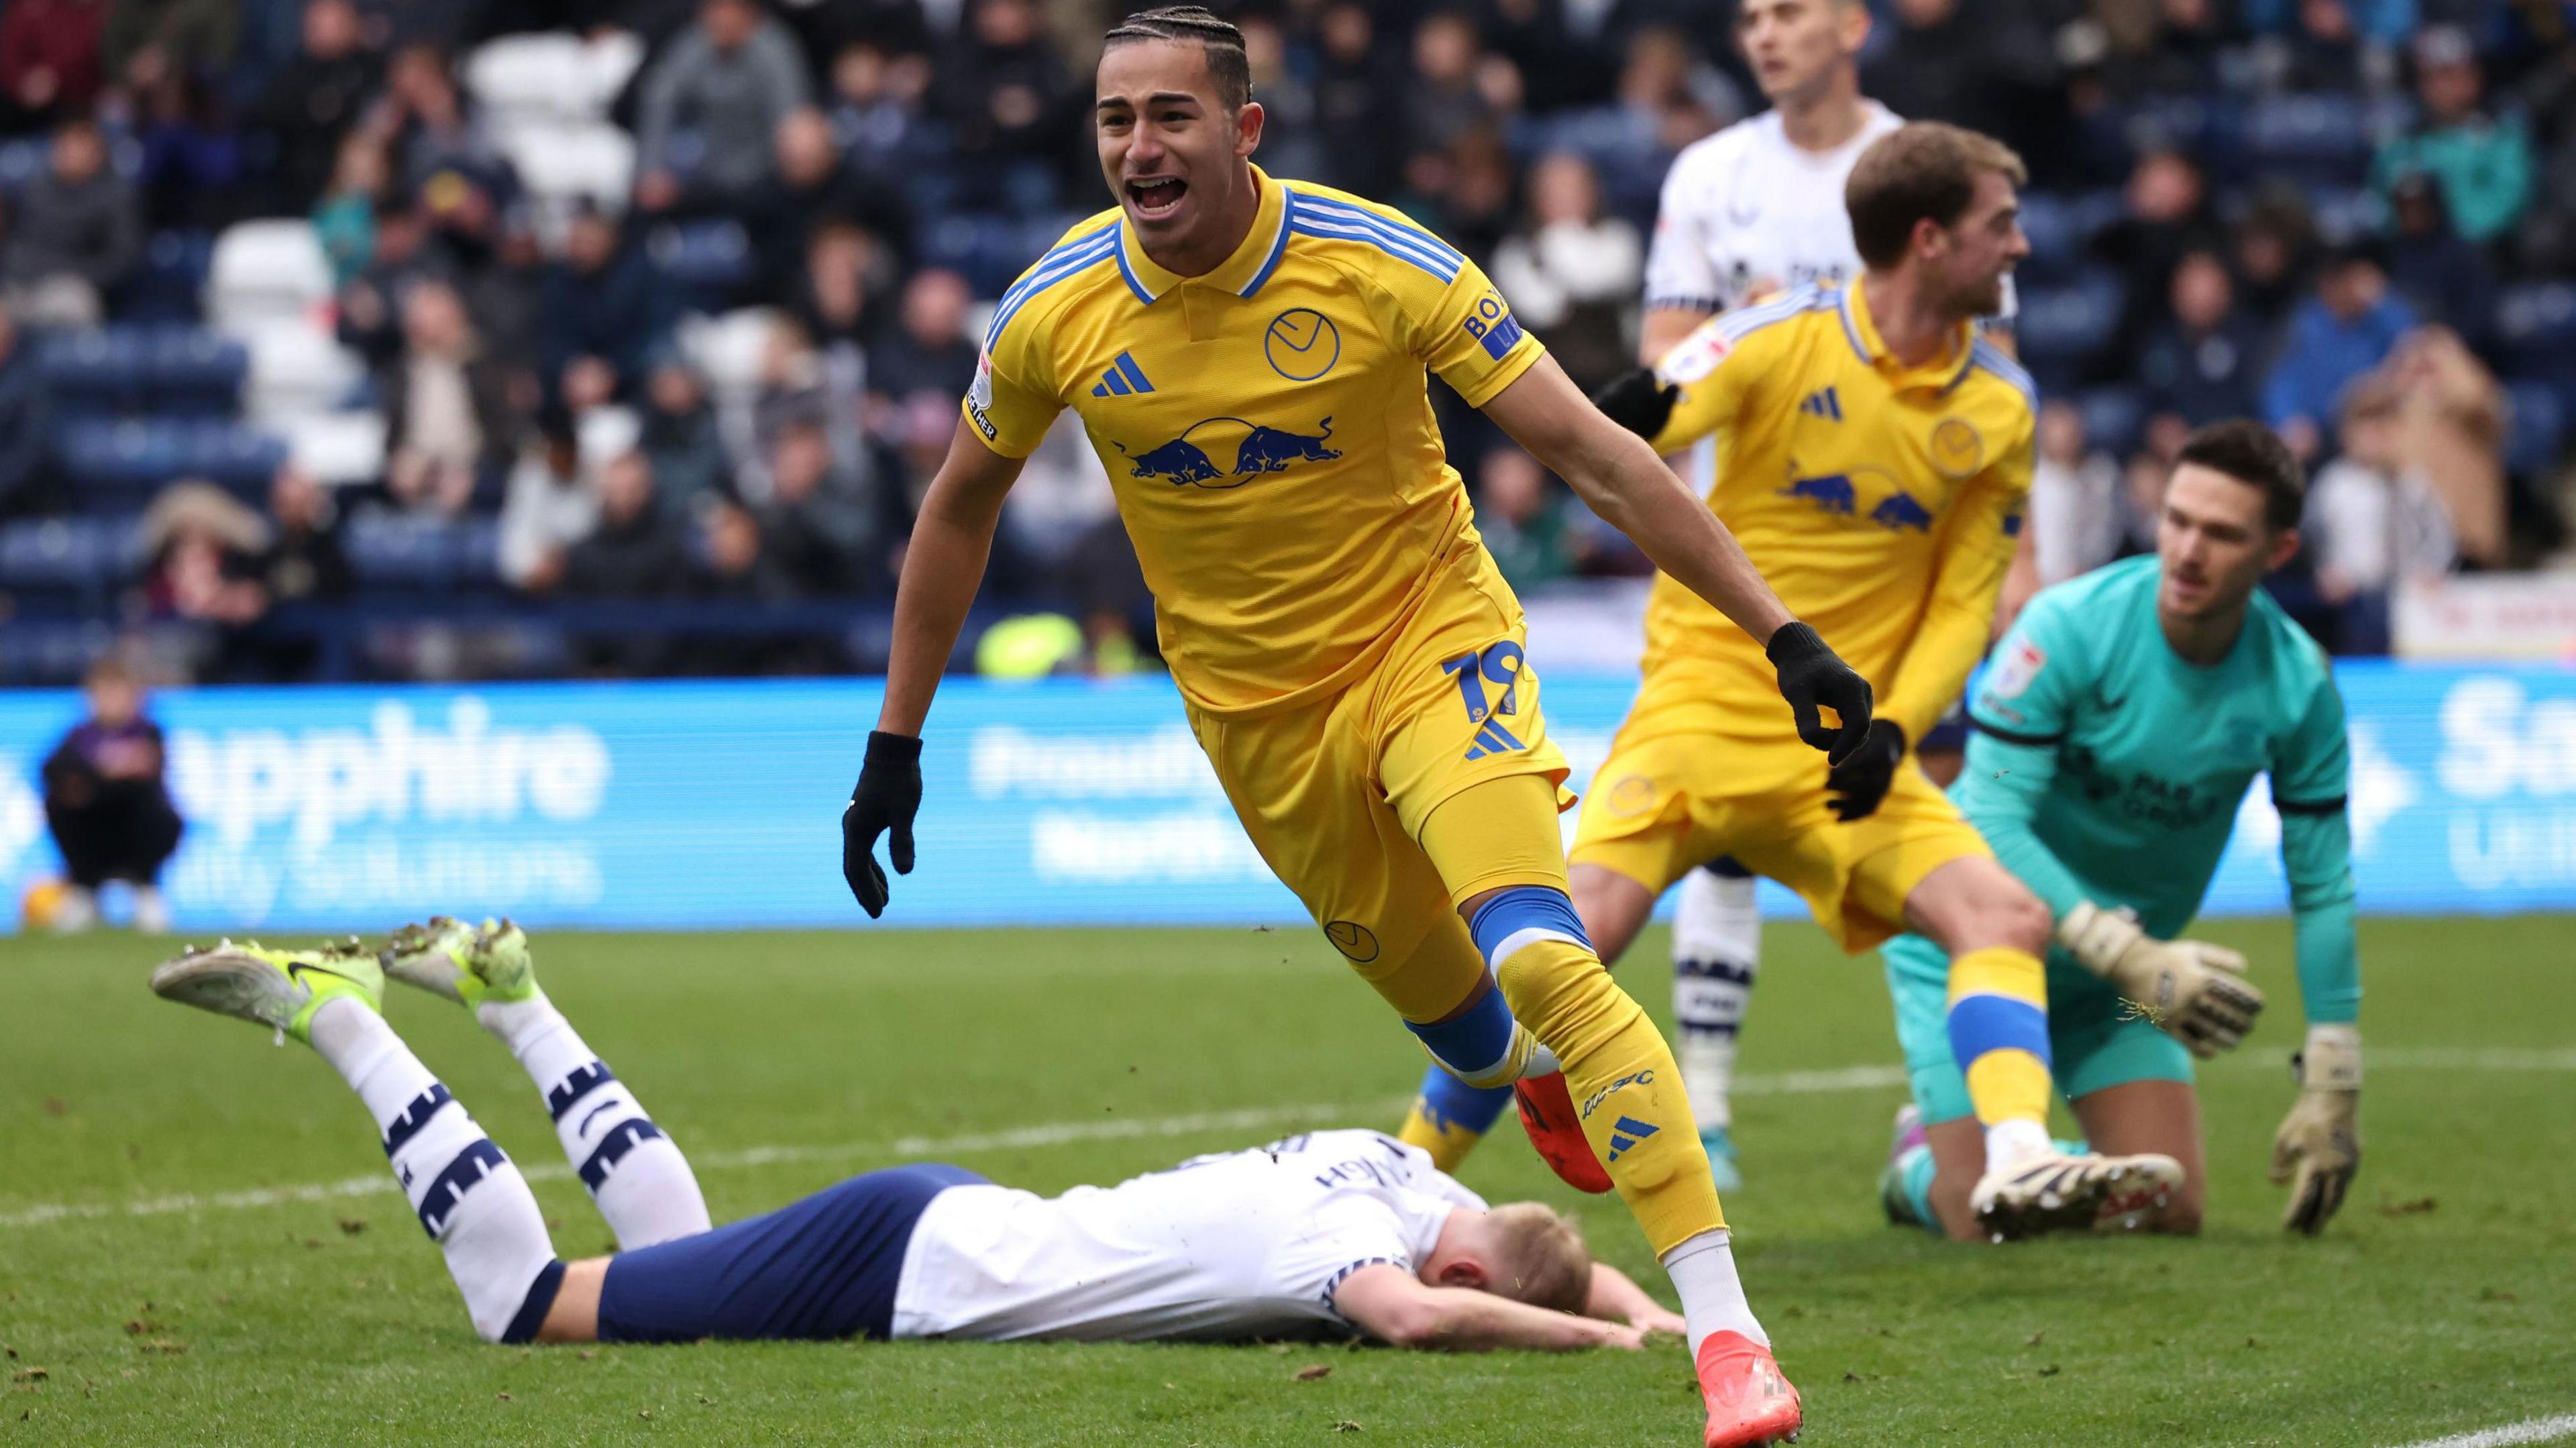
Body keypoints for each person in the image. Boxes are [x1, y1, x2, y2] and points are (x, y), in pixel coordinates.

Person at [837, 11, 1878, 1443]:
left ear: (1244, 129)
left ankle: (1730, 1338)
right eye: (1115, 121)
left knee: (1541, 949)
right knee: (1476, 1029)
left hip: (1428, 645)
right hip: (1260, 726)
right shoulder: (1052, 310)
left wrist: (1784, 635)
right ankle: (1533, 1071)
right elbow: (960, 502)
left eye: (1171, 117)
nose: (1140, 147)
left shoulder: (1382, 260)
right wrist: (898, 741)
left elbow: (1594, 454)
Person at [1444, 122, 2187, 1247]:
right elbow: (1651, 410)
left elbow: (1959, 602)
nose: (2021, 248)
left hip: (1843, 746)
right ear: (1930, 241)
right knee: (1562, 939)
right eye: (2001, 225)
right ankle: (1409, 1164)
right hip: (1697, 711)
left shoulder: (1999, 409)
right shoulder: (1778, 332)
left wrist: (1893, 722)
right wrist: (1625, 403)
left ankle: (2021, 1155)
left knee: (2003, 913)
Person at [148, 921, 1688, 1353]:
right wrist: (1600, 1343)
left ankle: (510, 995)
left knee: (675, 1267)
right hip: (908, 1266)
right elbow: (1425, 1309)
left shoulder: (1394, 1169)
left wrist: (1658, 1307)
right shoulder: (1363, 1254)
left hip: (939, 1220)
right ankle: (341, 1014)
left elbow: (1512, 1258)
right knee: (530, 1308)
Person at [1878, 420, 2360, 1241]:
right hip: (1977, 955)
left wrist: (2333, 1077)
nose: (2187, 550)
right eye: (2177, 519)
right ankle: (1915, 1164)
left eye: (2221, 533)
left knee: (2170, 1208)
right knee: (1980, 1215)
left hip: (2120, 994)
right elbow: (1988, 814)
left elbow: (2321, 885)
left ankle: (2044, 1162)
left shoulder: (2298, 683)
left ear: (2277, 552)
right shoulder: (2068, 628)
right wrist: (2119, 945)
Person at [1591, 0, 1904, 1190]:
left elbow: (1978, 357)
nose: (1764, 34)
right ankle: (1707, 1100)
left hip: (1887, 541)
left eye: (1790, 11)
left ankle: (1962, 1098)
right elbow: (1668, 365)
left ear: (1853, 24)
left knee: (1905, 797)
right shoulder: (1711, 175)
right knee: (1719, 819)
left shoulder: (1913, 165)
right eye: (1751, 17)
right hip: (1748, 545)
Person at [40, 657, 184, 934]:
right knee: (58, 804)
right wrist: (109, 770)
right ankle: (84, 889)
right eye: (105, 692)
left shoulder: (149, 732)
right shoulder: (79, 736)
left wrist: (92, 781)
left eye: (118, 691)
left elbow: (147, 773)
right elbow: (53, 772)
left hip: (135, 833)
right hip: (91, 836)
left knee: (159, 812)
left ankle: (145, 887)